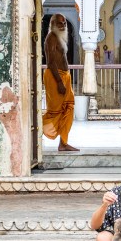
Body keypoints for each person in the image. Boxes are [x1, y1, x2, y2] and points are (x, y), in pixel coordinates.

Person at [42, 13, 78, 152]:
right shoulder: (51, 38)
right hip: (55, 77)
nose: (63, 26)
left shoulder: (60, 38)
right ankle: (34, 127)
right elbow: (51, 62)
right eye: (59, 23)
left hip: (65, 76)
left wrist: (65, 79)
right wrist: (59, 82)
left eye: (64, 23)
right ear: (52, 25)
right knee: (55, 111)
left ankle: (63, 143)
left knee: (68, 109)